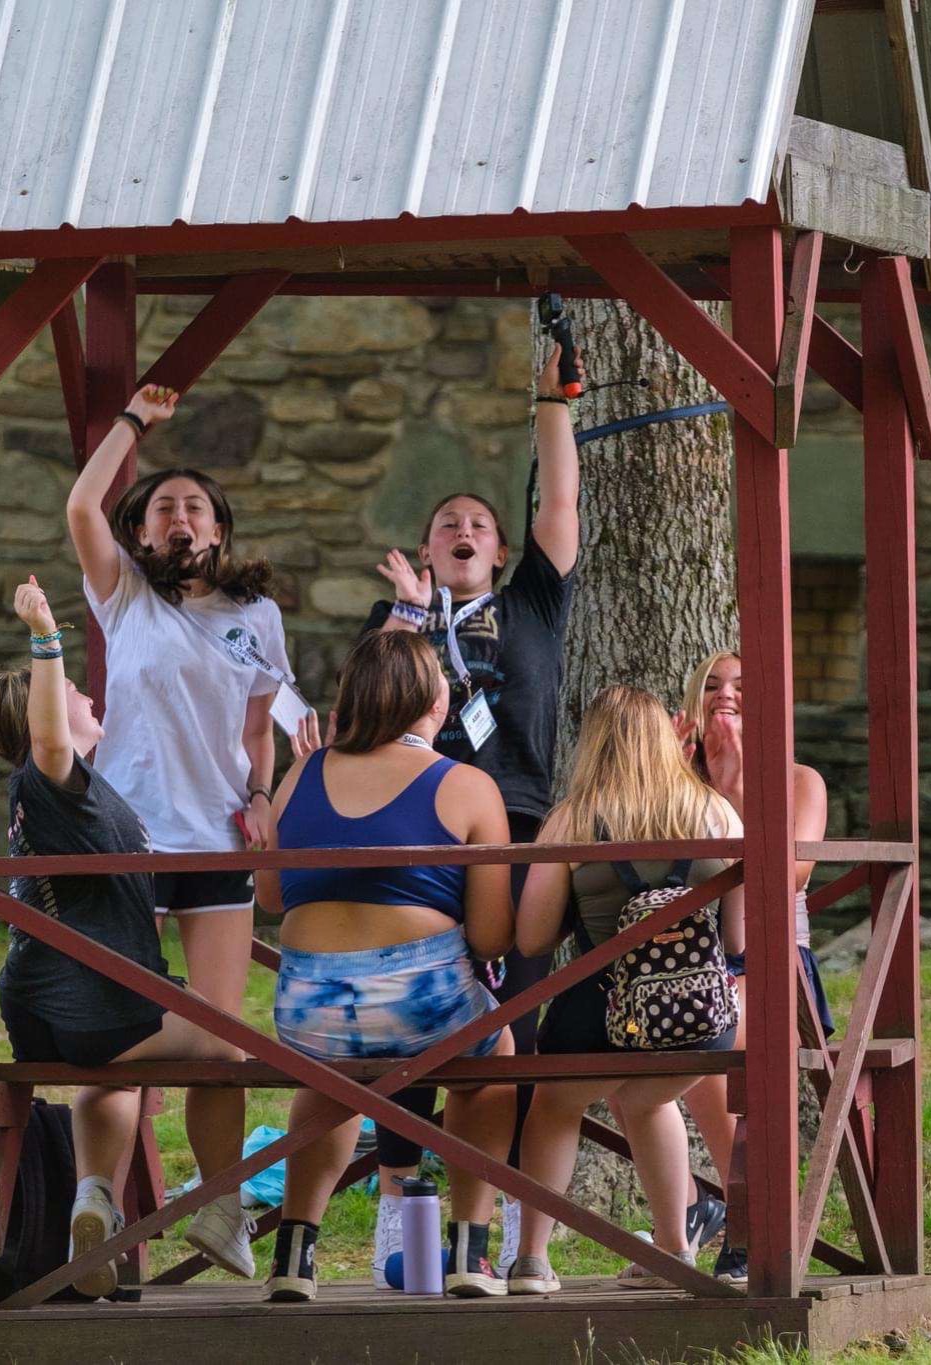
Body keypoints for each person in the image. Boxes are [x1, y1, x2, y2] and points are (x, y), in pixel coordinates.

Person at [361, 345, 582, 1278]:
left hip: (524, 830)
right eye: (447, 522)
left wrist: (548, 402)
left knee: (516, 1031)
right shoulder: (396, 615)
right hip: (421, 836)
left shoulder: (530, 599)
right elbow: (370, 707)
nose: (464, 527)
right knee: (419, 1027)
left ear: (498, 550)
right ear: (425, 551)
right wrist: (410, 616)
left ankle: (495, 1237)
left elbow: (558, 504)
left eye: (479, 523)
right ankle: (399, 1211)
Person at [64, 383, 296, 1252]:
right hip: (125, 840)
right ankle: (95, 1195)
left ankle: (220, 1205)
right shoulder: (124, 594)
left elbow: (254, 733)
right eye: (162, 506)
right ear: (141, 533)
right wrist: (128, 424)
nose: (179, 516)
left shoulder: (256, 617)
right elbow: (81, 502)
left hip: (215, 843)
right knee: (115, 1032)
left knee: (221, 1040)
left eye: (194, 505)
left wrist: (265, 795)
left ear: (219, 530)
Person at [0, 575, 254, 1295]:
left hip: (56, 1009)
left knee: (119, 1065)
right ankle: (222, 1205)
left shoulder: (69, 795)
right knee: (225, 1044)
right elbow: (48, 732)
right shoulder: (49, 779)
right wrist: (45, 633)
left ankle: (95, 1201)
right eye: (72, 691)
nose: (85, 697)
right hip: (90, 999)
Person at [254, 631, 517, 1302]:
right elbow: (490, 938)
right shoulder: (466, 784)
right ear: (436, 699)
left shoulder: (302, 772)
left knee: (330, 1078)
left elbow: (270, 895)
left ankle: (294, 1253)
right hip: (420, 1000)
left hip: (308, 1005)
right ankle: (470, 1250)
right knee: (491, 1061)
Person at [504, 686, 745, 1296]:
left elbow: (532, 938)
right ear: (667, 736)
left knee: (556, 1107)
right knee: (647, 1099)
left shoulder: (574, 817)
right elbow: (739, 937)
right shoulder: (716, 812)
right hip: (699, 1016)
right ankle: (671, 1247)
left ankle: (533, 1258)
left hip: (598, 1014)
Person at [671, 648, 833, 1286]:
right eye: (711, 684)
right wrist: (683, 779)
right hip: (687, 960)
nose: (725, 694)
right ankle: (710, 1208)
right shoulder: (674, 781)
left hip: (773, 961)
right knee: (624, 1029)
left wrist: (736, 787)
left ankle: (751, 1221)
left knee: (717, 1023)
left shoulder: (800, 781)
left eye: (742, 683)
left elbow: (788, 877)